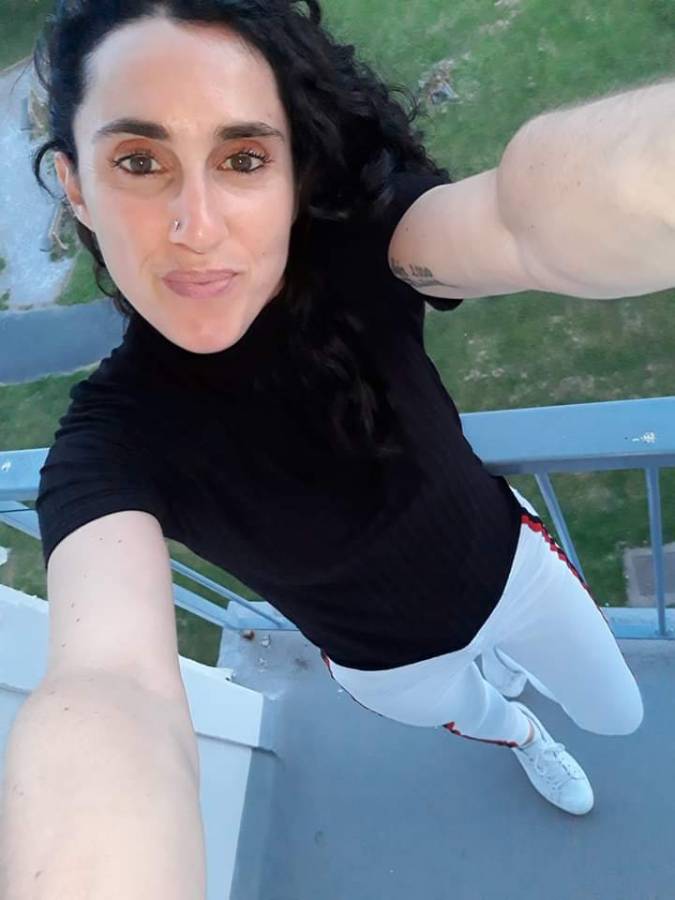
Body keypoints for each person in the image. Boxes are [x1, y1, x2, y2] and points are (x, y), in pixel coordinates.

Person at [5, 0, 672, 894]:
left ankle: (514, 691)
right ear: (77, 186)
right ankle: (522, 734)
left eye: (243, 158)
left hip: (511, 575)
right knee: (491, 715)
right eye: (138, 161)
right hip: (386, 666)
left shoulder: (366, 252)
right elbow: (109, 682)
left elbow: (520, 222)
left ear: (292, 172)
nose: (196, 226)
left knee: (620, 713)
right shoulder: (106, 447)